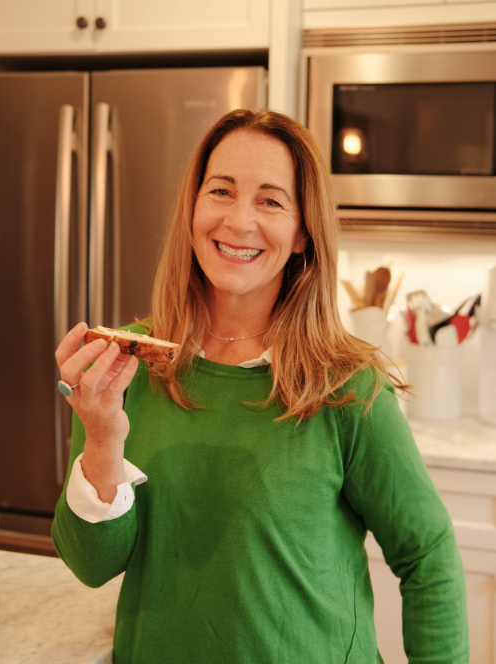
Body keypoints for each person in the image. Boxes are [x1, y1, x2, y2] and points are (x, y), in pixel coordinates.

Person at [53, 109, 469, 664]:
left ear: (302, 234)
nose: (239, 221)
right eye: (221, 191)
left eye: (270, 200)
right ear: (193, 209)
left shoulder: (346, 386)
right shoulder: (126, 365)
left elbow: (429, 556)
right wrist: (102, 436)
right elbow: (92, 565)